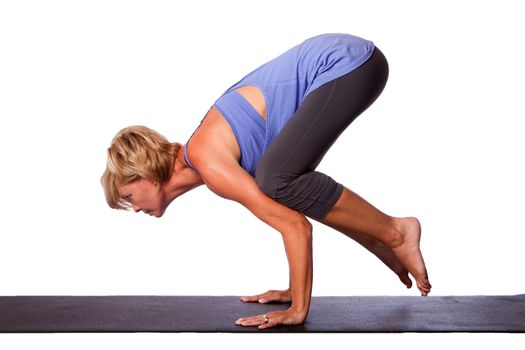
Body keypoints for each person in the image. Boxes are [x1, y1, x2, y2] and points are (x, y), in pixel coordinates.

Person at [101, 33, 431, 330]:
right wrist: (295, 286)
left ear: (144, 174)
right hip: (354, 65)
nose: (133, 208)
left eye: (128, 196)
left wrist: (298, 309)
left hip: (348, 64)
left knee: (275, 178)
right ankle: (384, 238)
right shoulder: (210, 158)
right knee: (280, 182)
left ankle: (396, 231)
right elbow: (296, 209)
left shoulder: (207, 160)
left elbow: (296, 227)